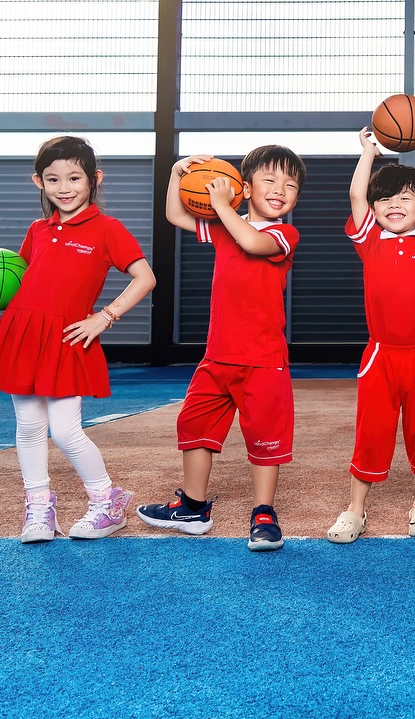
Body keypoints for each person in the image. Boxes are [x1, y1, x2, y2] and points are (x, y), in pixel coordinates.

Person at [0, 135, 156, 544]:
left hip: (66, 339)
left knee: (65, 431)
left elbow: (145, 278)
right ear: (38, 183)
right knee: (28, 427)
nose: (64, 188)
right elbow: (16, 282)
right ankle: (39, 508)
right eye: (53, 179)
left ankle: (107, 502)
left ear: (94, 179)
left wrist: (105, 316)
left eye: (74, 178)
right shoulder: (37, 230)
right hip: (22, 336)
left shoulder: (107, 229)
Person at [137, 145, 305, 552]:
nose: (280, 189)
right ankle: (193, 507)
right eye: (270, 180)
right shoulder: (225, 224)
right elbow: (175, 214)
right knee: (193, 427)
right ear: (245, 188)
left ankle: (263, 513)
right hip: (216, 357)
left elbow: (251, 242)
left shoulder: (283, 233)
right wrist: (178, 172)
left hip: (264, 361)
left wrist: (220, 205)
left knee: (265, 440)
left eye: (291, 185)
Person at [326, 124, 415, 544]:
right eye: (385, 199)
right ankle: (355, 509)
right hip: (379, 354)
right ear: (376, 209)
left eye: (405, 198)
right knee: (371, 430)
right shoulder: (371, 241)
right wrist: (367, 153)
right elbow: (355, 196)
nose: (393, 204)